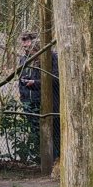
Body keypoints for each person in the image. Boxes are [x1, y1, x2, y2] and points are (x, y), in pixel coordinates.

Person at [17, 32, 59, 161]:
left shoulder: (51, 57)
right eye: (22, 41)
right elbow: (20, 78)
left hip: (46, 101)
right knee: (36, 132)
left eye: (26, 41)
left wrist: (35, 83)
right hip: (28, 101)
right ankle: (43, 159)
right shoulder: (24, 59)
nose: (25, 45)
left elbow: (55, 79)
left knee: (53, 131)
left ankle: (56, 159)